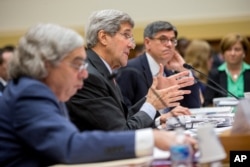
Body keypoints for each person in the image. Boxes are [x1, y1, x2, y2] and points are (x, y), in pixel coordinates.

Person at [0, 23, 196, 167]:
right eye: (77, 64)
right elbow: (69, 147)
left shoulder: (42, 91)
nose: (84, 73)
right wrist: (151, 138)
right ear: (46, 64)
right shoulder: (30, 93)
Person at [66, 10, 191, 131]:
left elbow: (123, 118)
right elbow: (122, 133)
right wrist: (152, 105)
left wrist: (153, 99)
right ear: (103, 37)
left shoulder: (103, 70)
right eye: (126, 35)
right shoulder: (88, 76)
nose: (132, 45)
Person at [117, 21, 201, 116]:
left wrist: (185, 71)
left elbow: (193, 108)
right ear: (147, 43)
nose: (169, 44)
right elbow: (124, 114)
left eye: (172, 40)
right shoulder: (130, 70)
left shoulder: (172, 71)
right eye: (163, 39)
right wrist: (159, 119)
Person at [204, 33, 250, 106]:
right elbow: (207, 102)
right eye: (228, 49)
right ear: (223, 53)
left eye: (237, 49)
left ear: (244, 52)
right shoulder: (215, 74)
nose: (232, 53)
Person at [184, 40, 212, 105]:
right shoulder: (189, 75)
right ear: (202, 58)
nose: (212, 60)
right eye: (209, 56)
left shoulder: (205, 75)